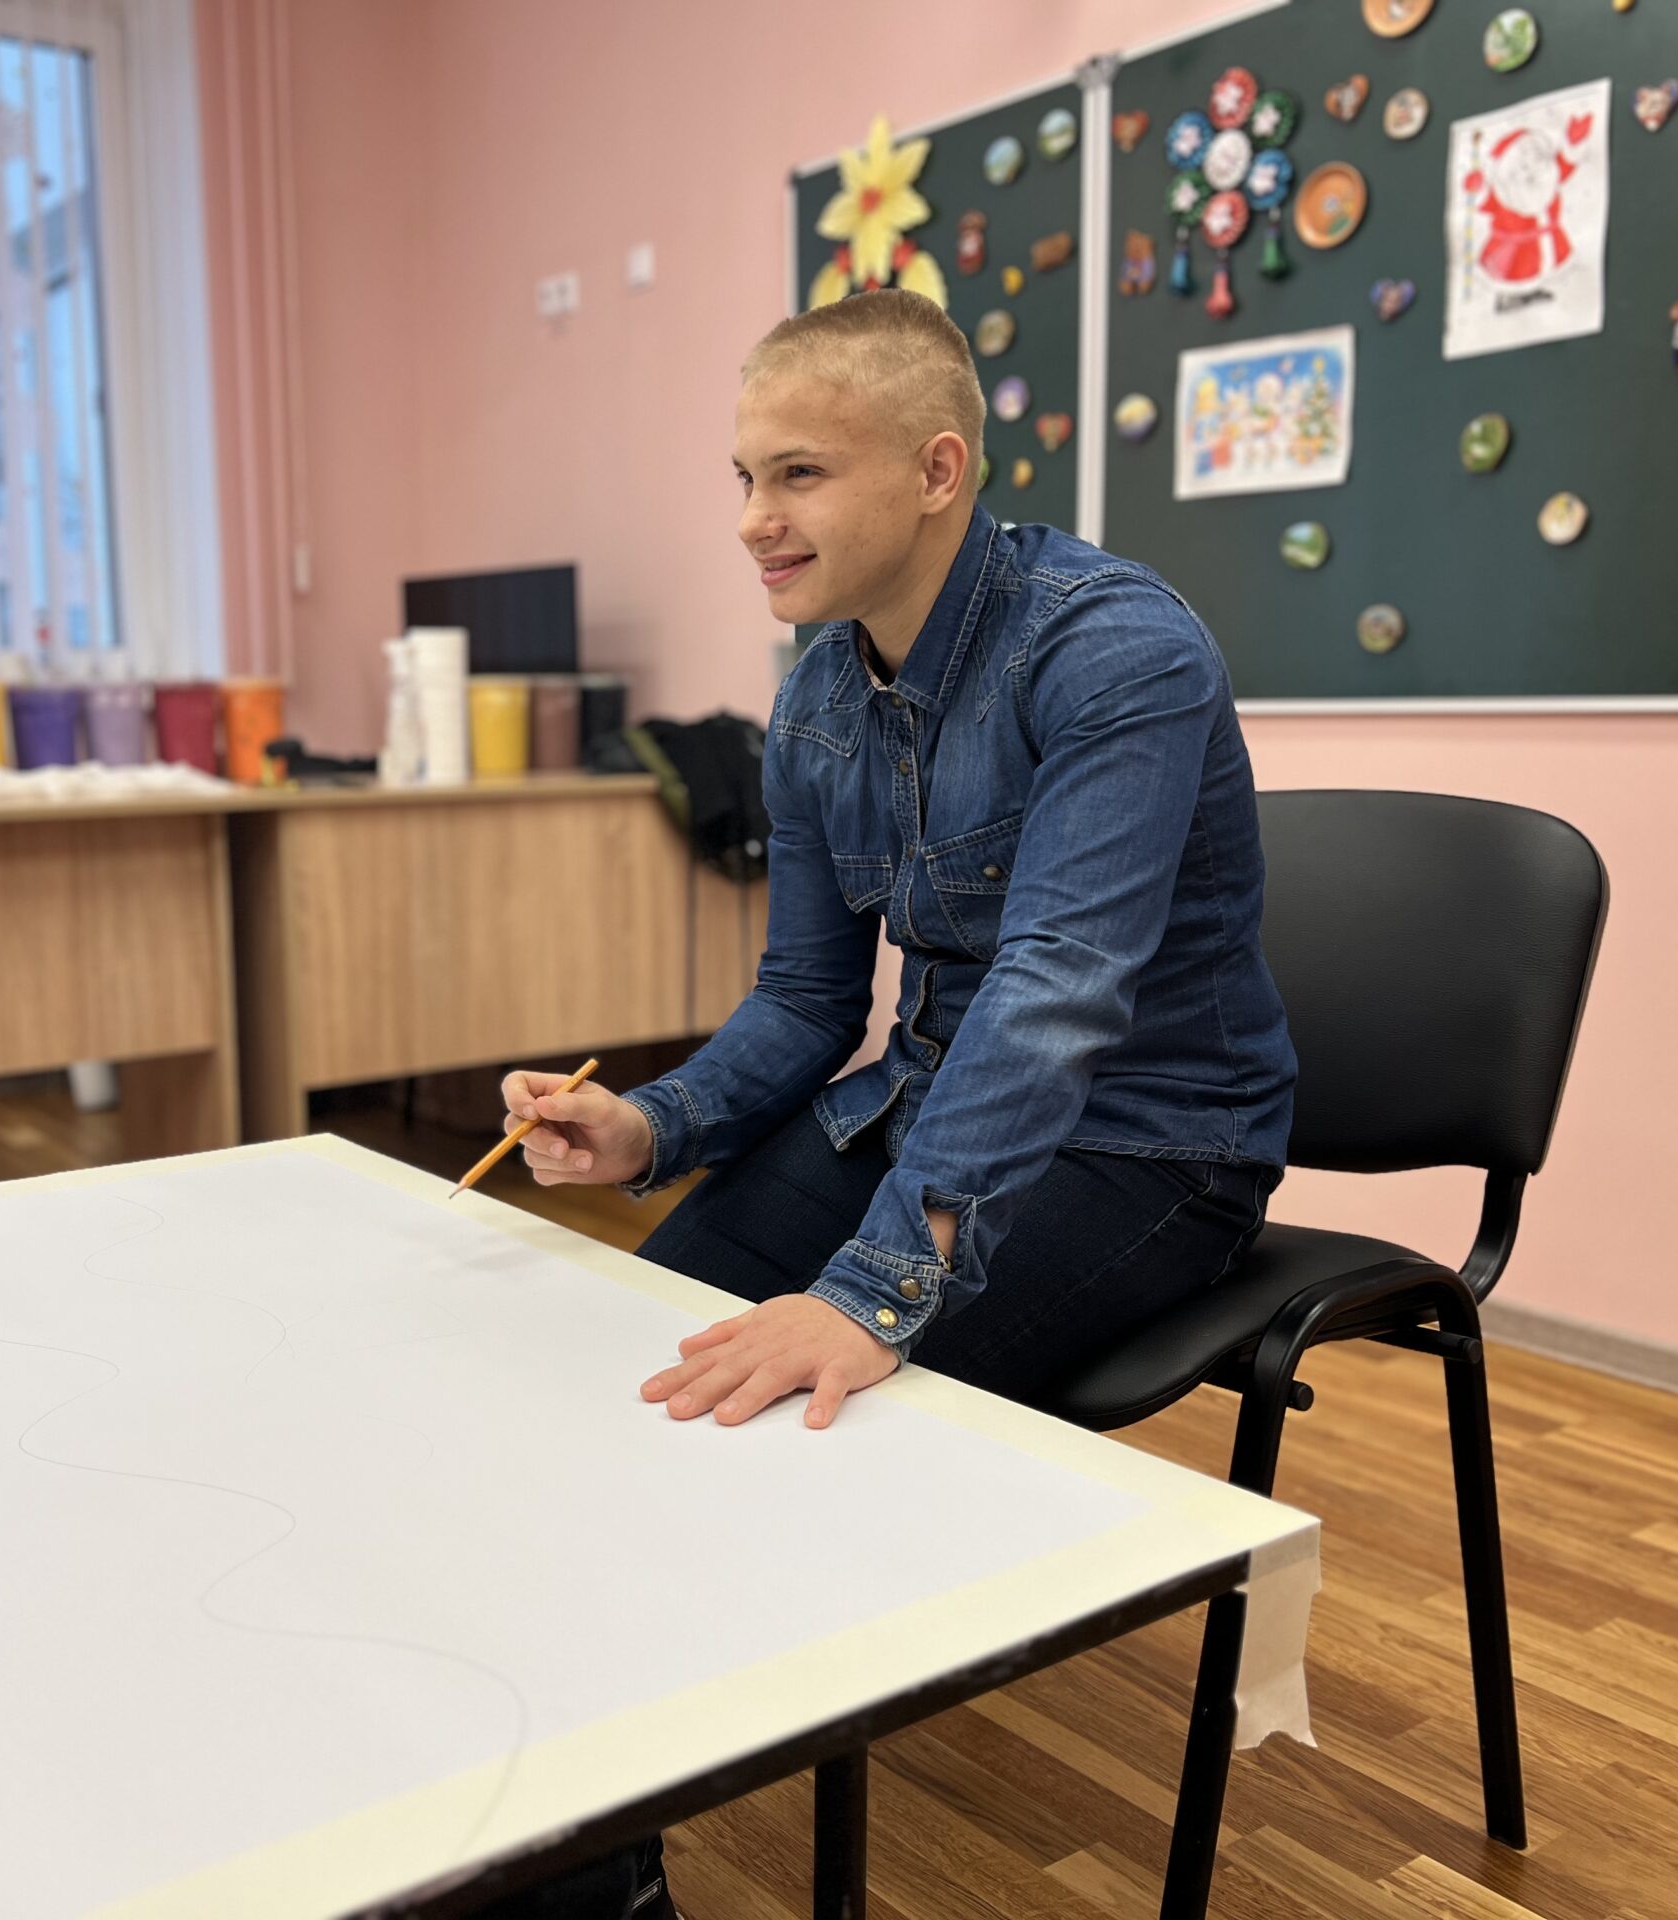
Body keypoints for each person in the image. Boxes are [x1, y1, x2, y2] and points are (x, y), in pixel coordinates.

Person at [474, 287, 1296, 1920]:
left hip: (1153, 1147)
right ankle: (551, 1844)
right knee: (616, 1388)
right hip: (927, 1111)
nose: (752, 522)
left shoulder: (1115, 650)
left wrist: (872, 1291)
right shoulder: (816, 697)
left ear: (936, 471)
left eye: (798, 475)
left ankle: (590, 1882)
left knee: (745, 1450)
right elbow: (804, 1002)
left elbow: (1056, 999)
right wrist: (651, 1126)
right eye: (742, 477)